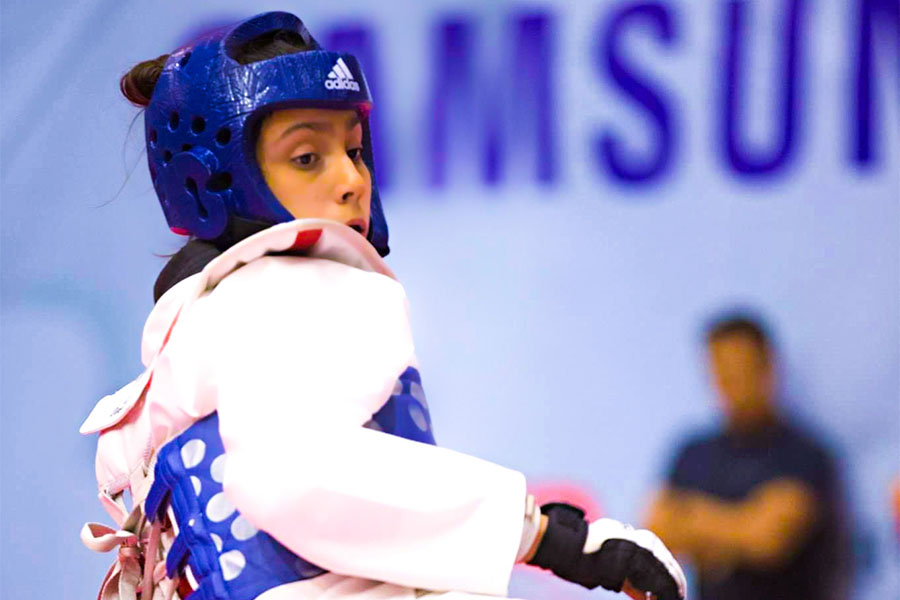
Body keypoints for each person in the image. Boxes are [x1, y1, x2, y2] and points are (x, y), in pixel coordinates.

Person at [79, 12, 686, 600]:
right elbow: (291, 474)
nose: (352, 179)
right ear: (215, 178)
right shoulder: (307, 290)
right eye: (307, 157)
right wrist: (555, 540)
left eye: (354, 149)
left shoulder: (188, 339)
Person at [645, 313, 850, 600]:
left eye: (740, 370)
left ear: (768, 367)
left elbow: (767, 538)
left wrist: (693, 522)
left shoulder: (807, 456)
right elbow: (654, 535)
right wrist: (738, 527)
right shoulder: (692, 452)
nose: (730, 385)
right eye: (721, 373)